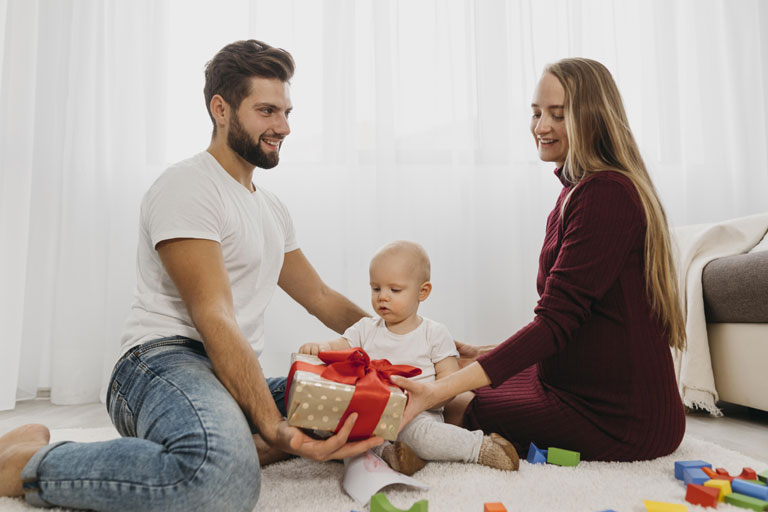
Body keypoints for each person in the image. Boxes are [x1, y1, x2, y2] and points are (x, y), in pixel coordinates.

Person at [0, 39, 382, 511]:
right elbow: (213, 316)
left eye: (286, 112)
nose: (283, 127)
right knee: (218, 482)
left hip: (230, 375)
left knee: (374, 404)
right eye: (267, 111)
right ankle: (29, 464)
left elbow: (321, 296)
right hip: (161, 364)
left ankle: (236, 444)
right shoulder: (188, 186)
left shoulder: (270, 208)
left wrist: (399, 340)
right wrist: (272, 423)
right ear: (220, 109)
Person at [394, 58, 687, 463]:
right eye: (536, 113)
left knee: (455, 403)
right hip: (576, 384)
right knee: (459, 373)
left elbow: (555, 322)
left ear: (593, 119)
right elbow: (577, 323)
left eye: (557, 114)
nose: (540, 127)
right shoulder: (578, 191)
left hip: (619, 417)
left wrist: (441, 391)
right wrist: (481, 353)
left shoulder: (606, 195)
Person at [299, 241, 519, 475]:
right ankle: (392, 455)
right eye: (376, 289)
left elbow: (449, 381)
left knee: (420, 436)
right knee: (334, 427)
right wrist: (322, 346)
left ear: (422, 292)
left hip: (418, 412)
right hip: (371, 408)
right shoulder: (365, 328)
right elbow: (342, 345)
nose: (383, 297)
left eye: (394, 290)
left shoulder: (434, 333)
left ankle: (480, 448)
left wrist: (431, 399)